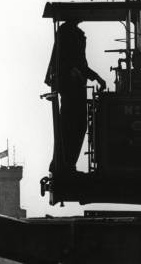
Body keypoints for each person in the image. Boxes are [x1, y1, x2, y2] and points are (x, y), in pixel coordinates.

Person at [45, 20, 105, 173]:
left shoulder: (70, 32)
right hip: (72, 85)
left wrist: (93, 76)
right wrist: (93, 76)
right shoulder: (69, 33)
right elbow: (74, 61)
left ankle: (64, 164)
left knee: (72, 127)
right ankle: (65, 165)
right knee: (73, 126)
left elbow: (77, 62)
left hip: (74, 84)